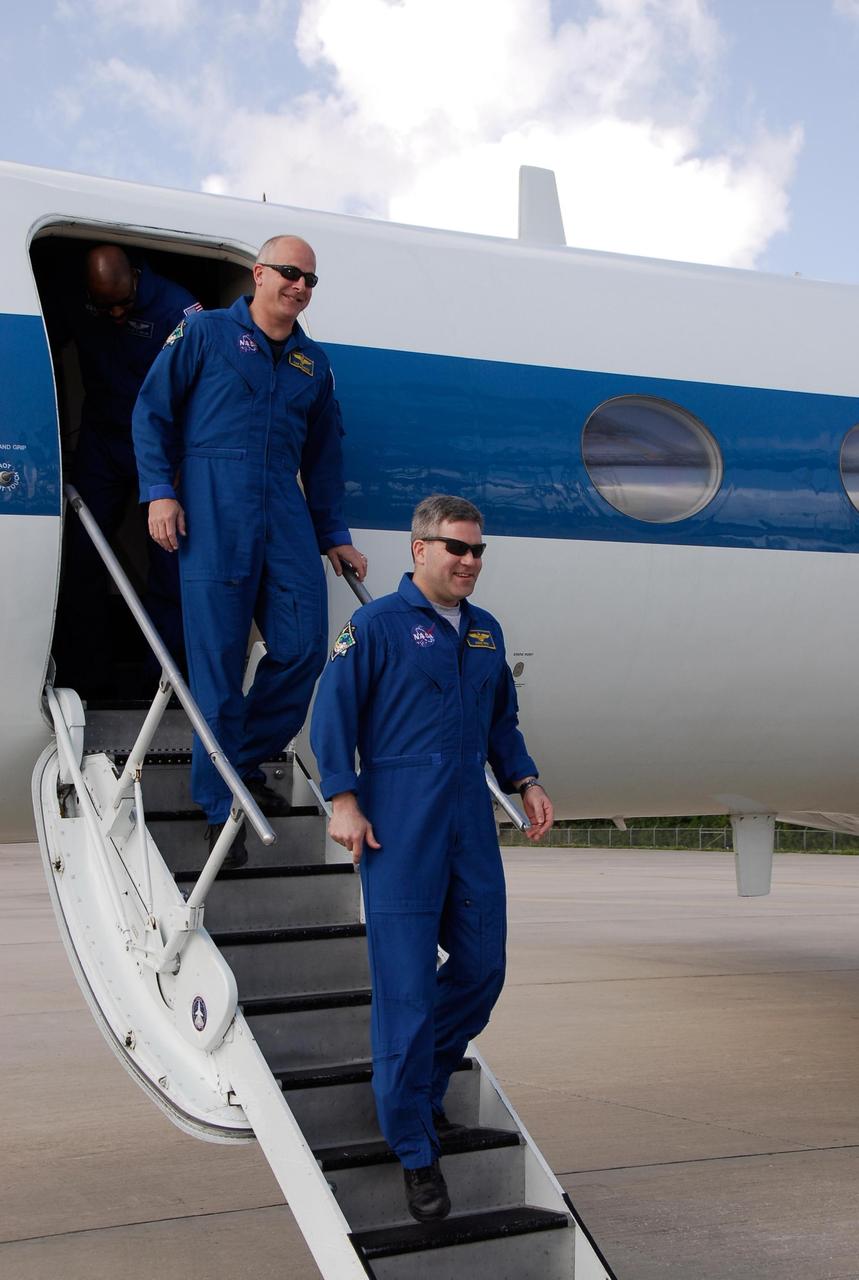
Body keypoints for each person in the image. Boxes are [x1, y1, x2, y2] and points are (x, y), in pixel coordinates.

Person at [310, 494, 553, 1222]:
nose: (469, 562)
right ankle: (414, 1149)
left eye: (478, 551)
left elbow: (499, 722)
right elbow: (332, 715)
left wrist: (525, 778)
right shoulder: (376, 626)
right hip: (399, 823)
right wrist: (342, 800)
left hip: (467, 823)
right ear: (419, 549)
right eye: (456, 548)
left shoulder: (483, 634)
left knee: (482, 969)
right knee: (407, 991)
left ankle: (415, 1084)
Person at [133, 235, 367, 868]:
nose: (299, 286)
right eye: (289, 273)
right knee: (217, 660)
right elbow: (151, 412)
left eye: (310, 280)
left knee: (304, 648)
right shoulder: (204, 333)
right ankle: (221, 808)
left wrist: (334, 532)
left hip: (282, 509)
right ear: (259, 274)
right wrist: (160, 492)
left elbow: (323, 458)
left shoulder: (311, 365)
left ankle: (236, 761)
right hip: (211, 503)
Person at [54, 244, 200, 693]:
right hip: (103, 441)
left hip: (162, 450)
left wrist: (178, 470)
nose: (116, 314)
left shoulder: (181, 309)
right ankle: (84, 678)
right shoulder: (75, 302)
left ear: (136, 277)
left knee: (169, 560)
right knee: (81, 555)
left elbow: (205, 392)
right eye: (106, 307)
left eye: (124, 304)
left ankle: (159, 683)